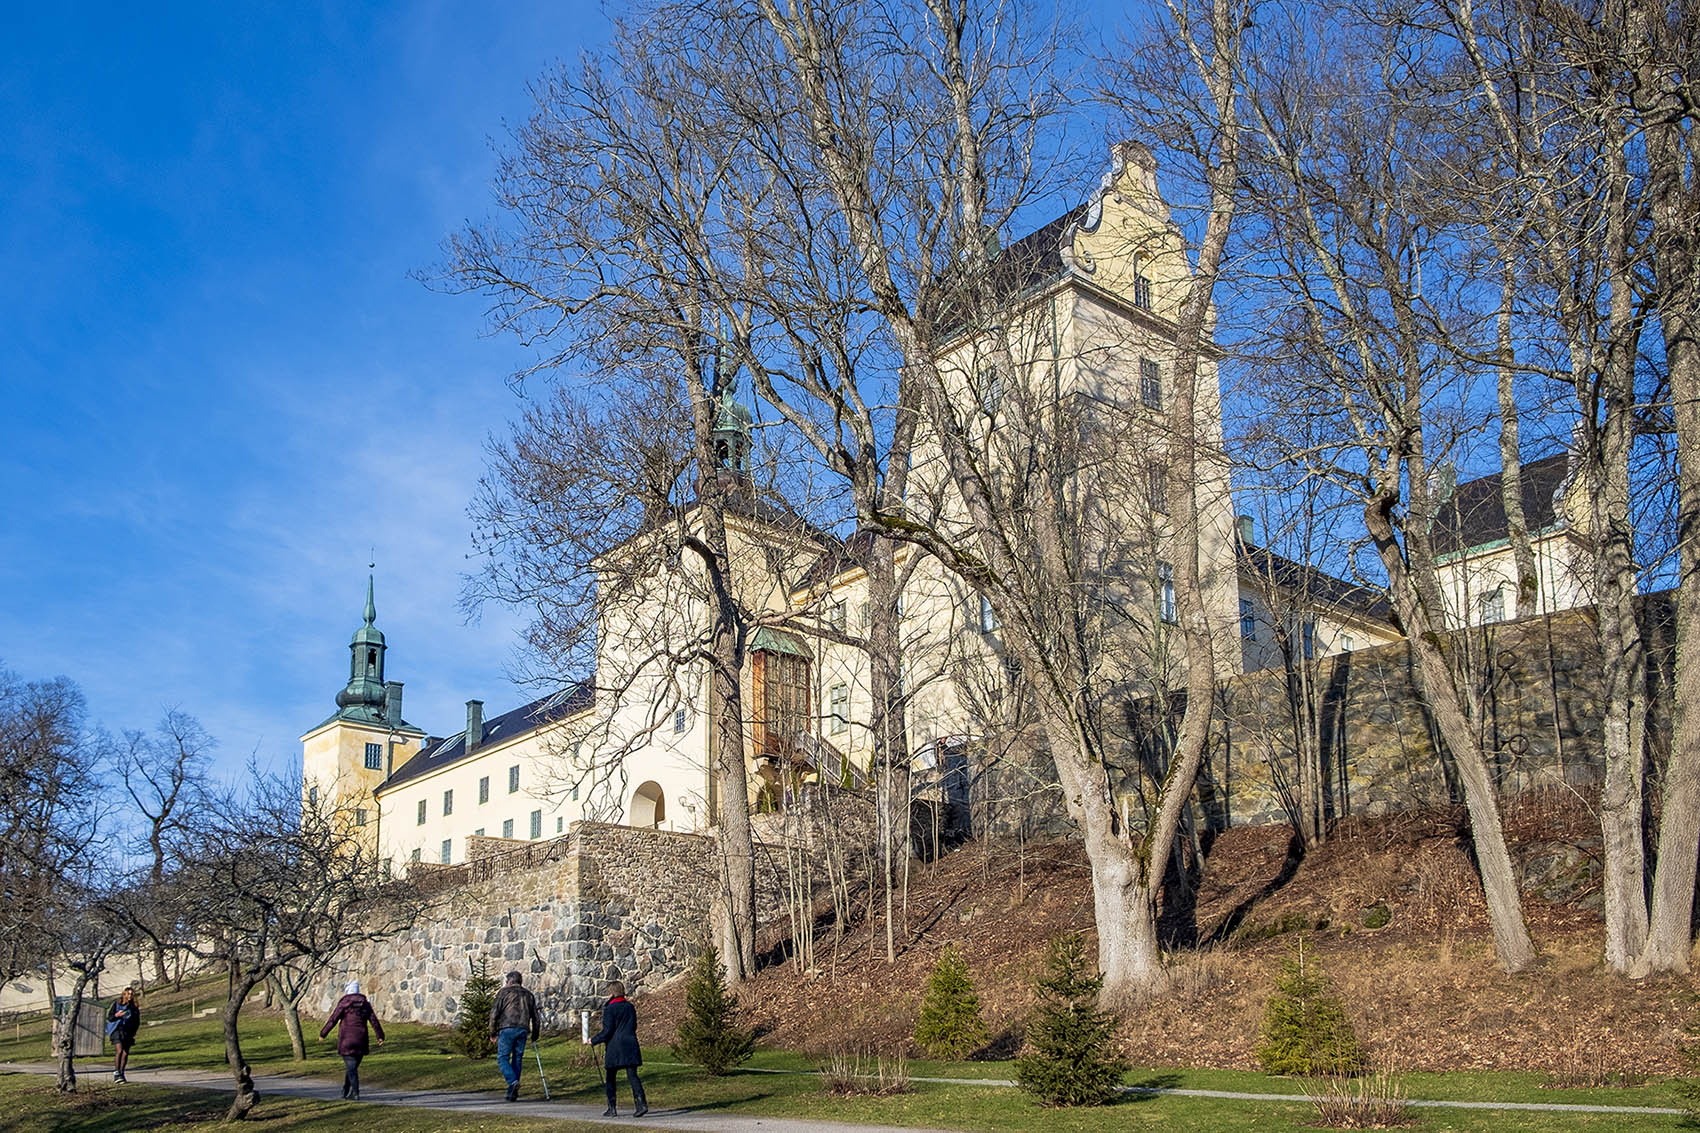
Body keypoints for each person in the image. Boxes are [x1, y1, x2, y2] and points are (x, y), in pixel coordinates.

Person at [319, 979, 385, 1100]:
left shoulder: (344, 1003)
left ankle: (355, 1092)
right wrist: (380, 1036)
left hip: (346, 1040)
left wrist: (323, 1034)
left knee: (351, 1068)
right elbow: (373, 1020)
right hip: (361, 1040)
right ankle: (346, 1090)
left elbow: (333, 1019)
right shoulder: (365, 1004)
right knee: (352, 1067)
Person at [590, 981, 646, 1118]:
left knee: (611, 1077)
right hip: (630, 1043)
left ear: (611, 993)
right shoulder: (630, 1007)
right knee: (633, 1076)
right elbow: (634, 1025)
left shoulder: (610, 1009)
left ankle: (612, 1107)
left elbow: (607, 1031)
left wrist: (594, 1040)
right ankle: (641, 1104)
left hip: (615, 1046)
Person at [487, 970, 541, 1102]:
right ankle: (512, 1092)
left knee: (502, 1058)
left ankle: (512, 1082)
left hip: (507, 1028)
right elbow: (536, 1017)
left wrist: (492, 1032)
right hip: (522, 1029)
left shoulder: (504, 993)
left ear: (510, 981)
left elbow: (494, 1014)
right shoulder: (529, 995)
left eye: (506, 981)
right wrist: (535, 1034)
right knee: (517, 1059)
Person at [106, 987, 141, 1083]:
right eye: (128, 994)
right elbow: (110, 1017)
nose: (129, 996)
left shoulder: (134, 1007)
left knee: (125, 1053)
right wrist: (117, 1015)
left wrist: (134, 1031)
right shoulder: (117, 1004)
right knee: (120, 1050)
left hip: (128, 1031)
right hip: (117, 1029)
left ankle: (121, 1073)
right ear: (124, 994)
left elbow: (137, 1021)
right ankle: (116, 1072)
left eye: (131, 994)